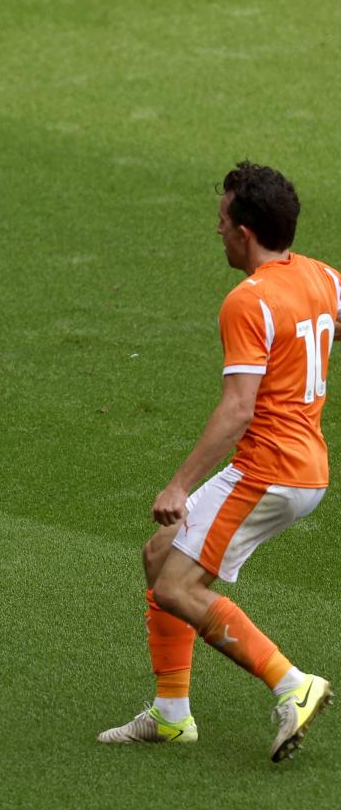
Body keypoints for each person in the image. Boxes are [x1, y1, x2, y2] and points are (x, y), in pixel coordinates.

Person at [98, 161, 336, 761]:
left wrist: (179, 484)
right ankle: (172, 714)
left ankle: (292, 684)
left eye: (224, 221)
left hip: (268, 471)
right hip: (304, 469)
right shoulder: (324, 278)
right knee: (159, 554)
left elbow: (237, 410)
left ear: (246, 232)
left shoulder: (247, 301)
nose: (218, 230)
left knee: (177, 586)